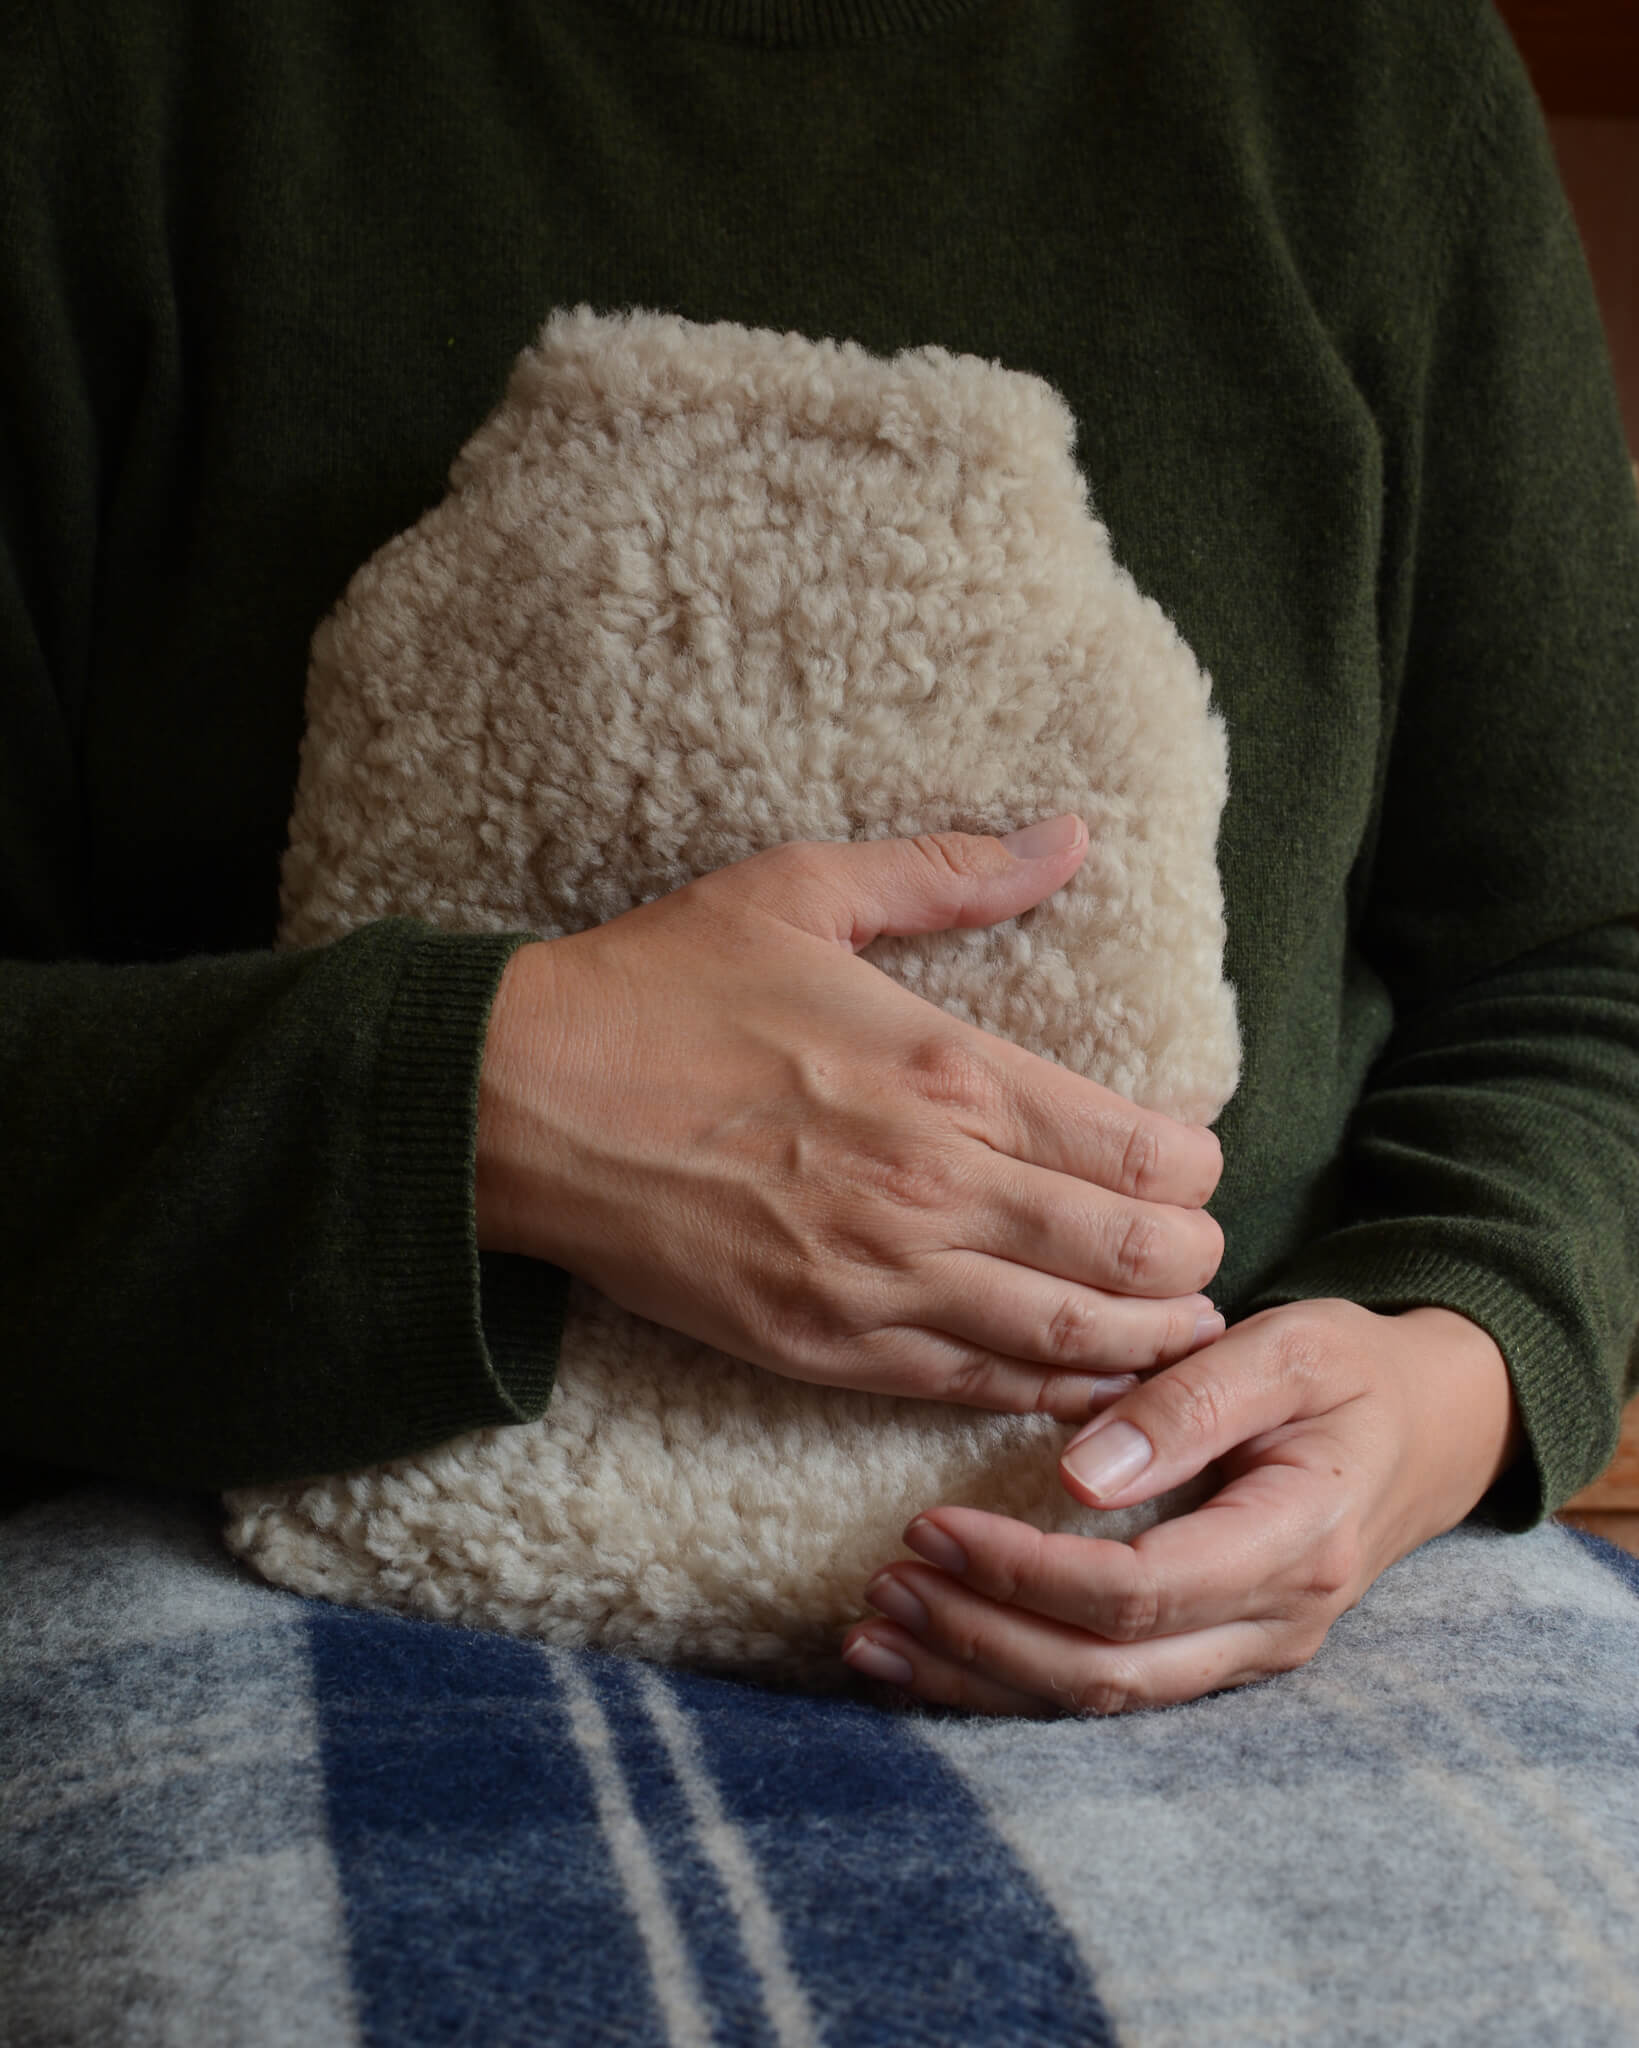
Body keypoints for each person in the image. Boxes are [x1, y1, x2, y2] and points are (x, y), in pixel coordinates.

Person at [4, 0, 1637, 1717]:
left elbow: (1581, 957)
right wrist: (477, 1101)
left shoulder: (1368, 79)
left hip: (1250, 1632)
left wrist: (1447, 1377)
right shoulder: (108, 78)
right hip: (216, 1585)